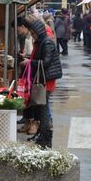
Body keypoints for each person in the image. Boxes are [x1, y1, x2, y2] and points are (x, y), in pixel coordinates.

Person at [21, 19, 62, 148]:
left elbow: (45, 62)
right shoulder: (41, 42)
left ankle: (45, 137)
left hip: (47, 80)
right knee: (40, 108)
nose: (32, 35)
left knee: (43, 109)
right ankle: (41, 134)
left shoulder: (47, 42)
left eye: (33, 33)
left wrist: (29, 62)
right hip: (42, 79)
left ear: (38, 31)